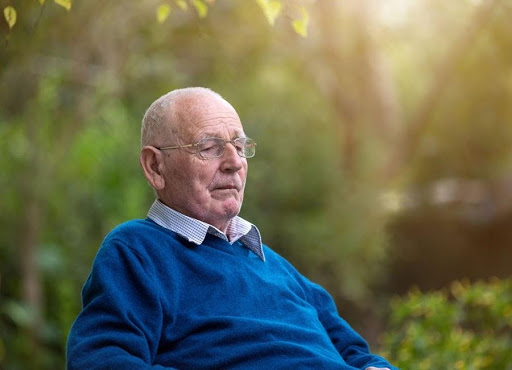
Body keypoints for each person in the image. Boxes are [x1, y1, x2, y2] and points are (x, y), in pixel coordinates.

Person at [66, 87, 397, 370]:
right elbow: (101, 359)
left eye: (239, 147)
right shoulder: (137, 251)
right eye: (209, 148)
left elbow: (358, 354)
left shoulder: (276, 266)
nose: (234, 162)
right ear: (156, 166)